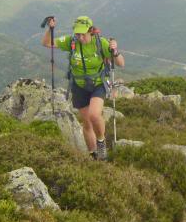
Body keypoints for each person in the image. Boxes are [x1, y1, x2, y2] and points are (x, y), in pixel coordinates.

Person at [41, 15, 124, 160]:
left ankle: (101, 142)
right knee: (86, 122)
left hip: (98, 84)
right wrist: (50, 29)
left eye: (82, 34)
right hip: (79, 85)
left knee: (94, 115)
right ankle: (93, 154)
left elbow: (121, 63)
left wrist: (115, 51)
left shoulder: (101, 43)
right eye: (77, 33)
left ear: (91, 31)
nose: (80, 37)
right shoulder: (71, 42)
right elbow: (47, 43)